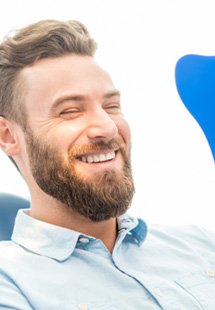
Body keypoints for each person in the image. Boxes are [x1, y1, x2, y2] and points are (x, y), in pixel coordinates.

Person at [0, 19, 214, 310]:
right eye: (70, 111)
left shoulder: (201, 244)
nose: (108, 127)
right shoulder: (9, 283)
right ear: (9, 135)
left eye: (111, 106)